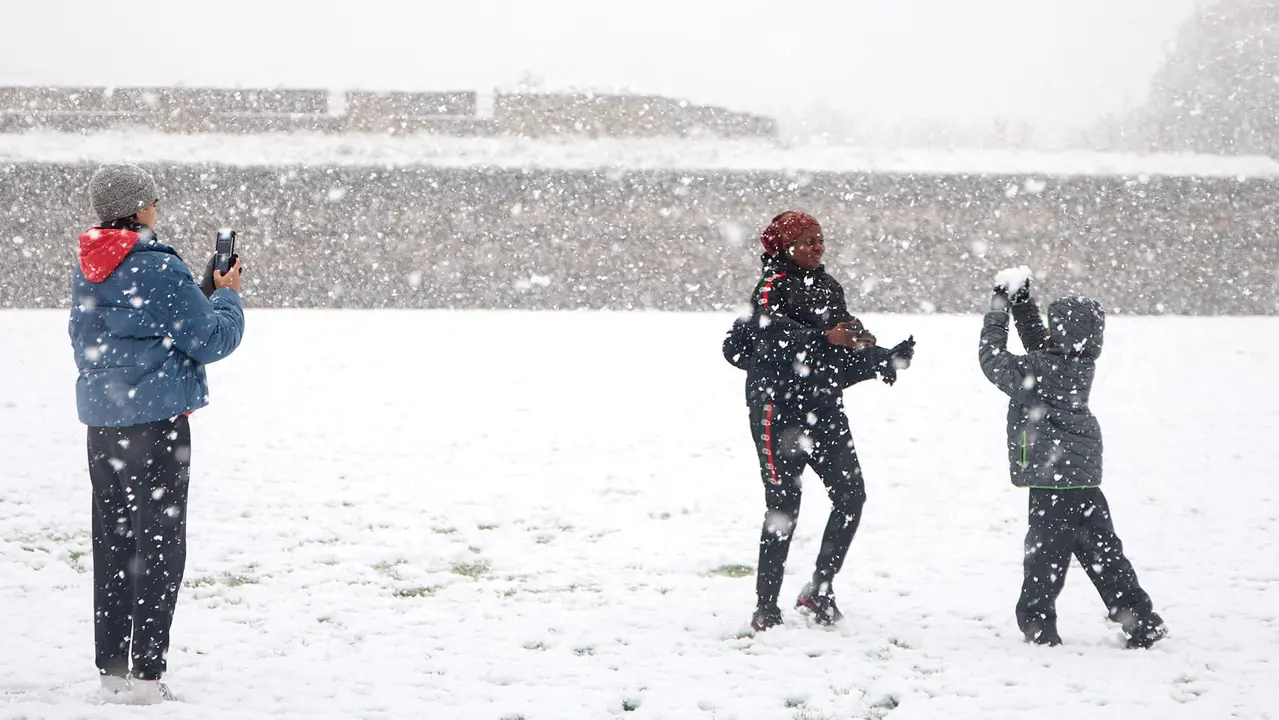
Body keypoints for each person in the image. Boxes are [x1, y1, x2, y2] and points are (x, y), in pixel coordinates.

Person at [69, 163, 246, 703]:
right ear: (139, 208)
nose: (157, 209)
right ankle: (147, 678)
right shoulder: (158, 266)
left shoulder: (89, 265)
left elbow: (128, 325)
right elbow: (212, 338)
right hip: (157, 423)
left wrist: (195, 290)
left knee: (114, 542)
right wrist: (227, 294)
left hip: (104, 423)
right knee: (160, 547)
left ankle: (112, 672)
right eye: (153, 202)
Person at [723, 210, 915, 631]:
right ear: (784, 247)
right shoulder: (771, 288)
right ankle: (766, 607)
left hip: (823, 407)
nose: (817, 247)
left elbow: (835, 358)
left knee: (851, 496)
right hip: (777, 411)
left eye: (820, 240)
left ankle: (819, 590)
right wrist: (823, 337)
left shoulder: (829, 286)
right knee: (783, 508)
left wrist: (878, 358)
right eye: (808, 241)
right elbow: (771, 340)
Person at [978, 273, 1166, 649]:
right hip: (1081, 479)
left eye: (1052, 327)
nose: (1046, 333)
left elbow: (992, 360)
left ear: (1063, 334)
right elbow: (1039, 346)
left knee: (1044, 560)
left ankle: (1038, 625)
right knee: (1104, 554)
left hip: (1054, 481)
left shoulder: (1044, 370)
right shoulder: (1077, 364)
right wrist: (1024, 305)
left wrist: (998, 309)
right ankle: (1140, 619)